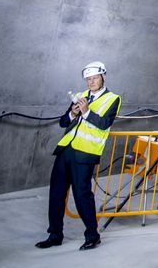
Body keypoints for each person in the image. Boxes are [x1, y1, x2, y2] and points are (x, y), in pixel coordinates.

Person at [37, 60, 122, 252]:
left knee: (82, 195)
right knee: (56, 193)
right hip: (66, 150)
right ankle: (55, 234)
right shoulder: (81, 96)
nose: (91, 82)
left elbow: (103, 124)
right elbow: (62, 122)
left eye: (94, 78)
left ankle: (92, 235)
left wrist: (86, 112)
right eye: (88, 79)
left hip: (85, 154)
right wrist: (73, 114)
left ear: (103, 77)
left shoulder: (113, 99)